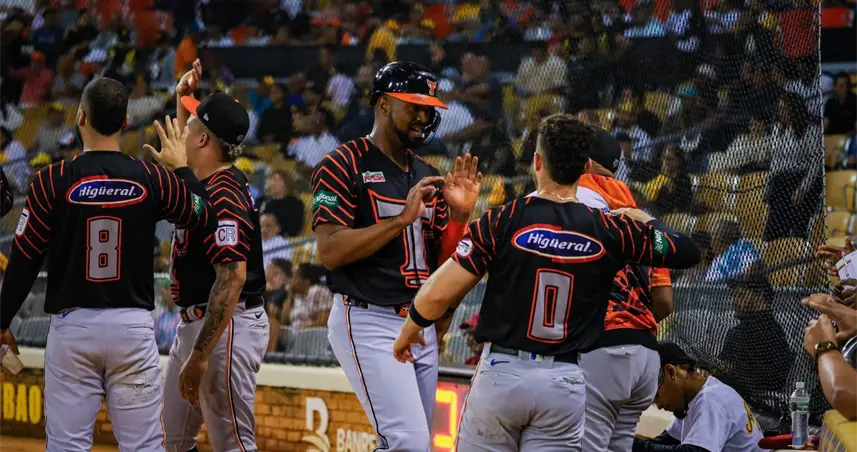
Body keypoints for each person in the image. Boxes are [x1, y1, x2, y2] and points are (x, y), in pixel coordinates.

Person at [392, 114, 700, 451]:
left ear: (537, 162)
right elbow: (686, 250)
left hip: (503, 371)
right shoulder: (611, 228)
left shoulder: (504, 218)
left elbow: (438, 293)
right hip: (564, 380)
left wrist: (411, 328)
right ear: (584, 166)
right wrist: (645, 218)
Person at [0, 76, 211, 451]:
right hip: (131, 327)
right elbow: (202, 215)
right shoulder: (152, 177)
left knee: (66, 445)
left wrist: (2, 320)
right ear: (126, 122)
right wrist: (182, 169)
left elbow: (24, 259)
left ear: (80, 117)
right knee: (144, 445)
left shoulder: (52, 179)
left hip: (73, 327)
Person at [313, 61, 481, 451]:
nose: (424, 117)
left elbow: (445, 263)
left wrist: (460, 217)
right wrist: (400, 220)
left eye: (429, 108)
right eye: (414, 106)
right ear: (384, 104)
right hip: (368, 316)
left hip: (418, 322)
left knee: (415, 444)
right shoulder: (341, 164)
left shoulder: (429, 173)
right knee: (408, 441)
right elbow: (330, 251)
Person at [156, 59, 270, 452]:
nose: (181, 134)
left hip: (227, 326)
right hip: (199, 325)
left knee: (232, 443)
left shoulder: (225, 194)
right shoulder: (204, 180)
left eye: (188, 128)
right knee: (171, 440)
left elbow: (232, 278)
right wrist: (182, 98)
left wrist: (201, 355)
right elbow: (187, 179)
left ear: (203, 140)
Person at [564, 127, 677, 452]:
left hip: (602, 346)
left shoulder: (573, 196)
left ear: (583, 161)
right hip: (645, 355)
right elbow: (664, 302)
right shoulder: (644, 218)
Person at [633, 342, 766, 452]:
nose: (659, 405)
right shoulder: (693, 400)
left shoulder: (711, 400)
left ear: (671, 372)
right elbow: (665, 443)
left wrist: (635, 445)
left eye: (657, 395)